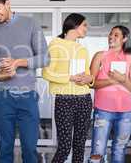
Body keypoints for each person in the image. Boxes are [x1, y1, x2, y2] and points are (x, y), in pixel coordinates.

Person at [0, 0, 50, 163]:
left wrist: (17, 62)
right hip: (2, 97)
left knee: (29, 148)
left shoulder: (30, 24)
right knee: (4, 148)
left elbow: (44, 58)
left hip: (27, 97)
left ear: (7, 3)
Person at [42, 13, 93, 163]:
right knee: (64, 147)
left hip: (84, 99)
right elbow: (46, 72)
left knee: (80, 146)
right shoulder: (55, 45)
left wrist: (88, 79)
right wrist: (70, 78)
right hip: (65, 100)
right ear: (75, 25)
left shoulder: (82, 49)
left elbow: (89, 76)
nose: (86, 28)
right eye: (85, 25)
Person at [89, 25, 131, 163]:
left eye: (116, 35)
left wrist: (122, 79)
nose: (111, 37)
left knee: (119, 149)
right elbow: (91, 83)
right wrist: (112, 80)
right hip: (103, 110)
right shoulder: (100, 56)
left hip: (126, 112)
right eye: (111, 34)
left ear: (125, 39)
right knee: (97, 152)